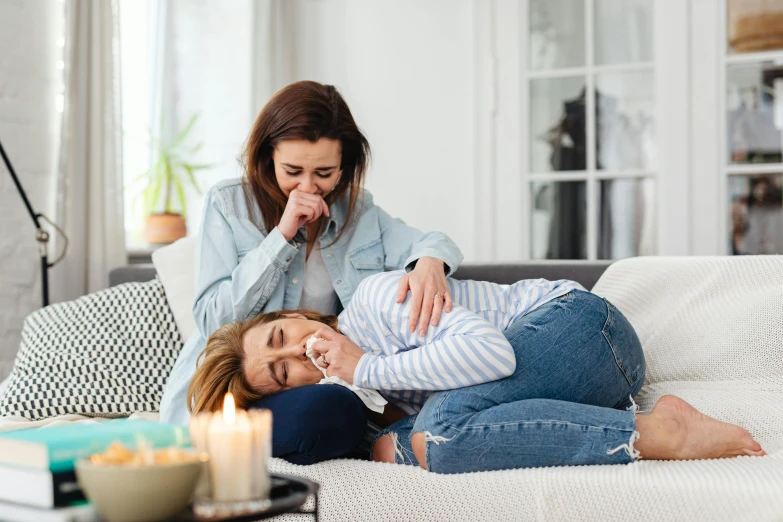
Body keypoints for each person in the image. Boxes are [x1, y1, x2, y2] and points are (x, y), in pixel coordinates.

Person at [187, 271, 766, 474]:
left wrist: (366, 365)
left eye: (281, 339)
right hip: (589, 379)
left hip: (581, 327)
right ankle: (639, 423)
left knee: (433, 432)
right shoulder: (370, 387)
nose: (297, 355)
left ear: (291, 314)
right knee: (427, 437)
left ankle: (662, 433)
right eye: (283, 376)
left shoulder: (376, 301)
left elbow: (495, 357)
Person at [159, 81, 464, 450]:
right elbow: (213, 320)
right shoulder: (229, 205)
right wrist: (282, 236)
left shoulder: (358, 211)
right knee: (322, 411)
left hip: (315, 381)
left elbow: (433, 241)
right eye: (292, 170)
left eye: (323, 173)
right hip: (237, 386)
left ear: (344, 167)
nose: (308, 186)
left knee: (334, 406)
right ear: (268, 155)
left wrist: (430, 262)